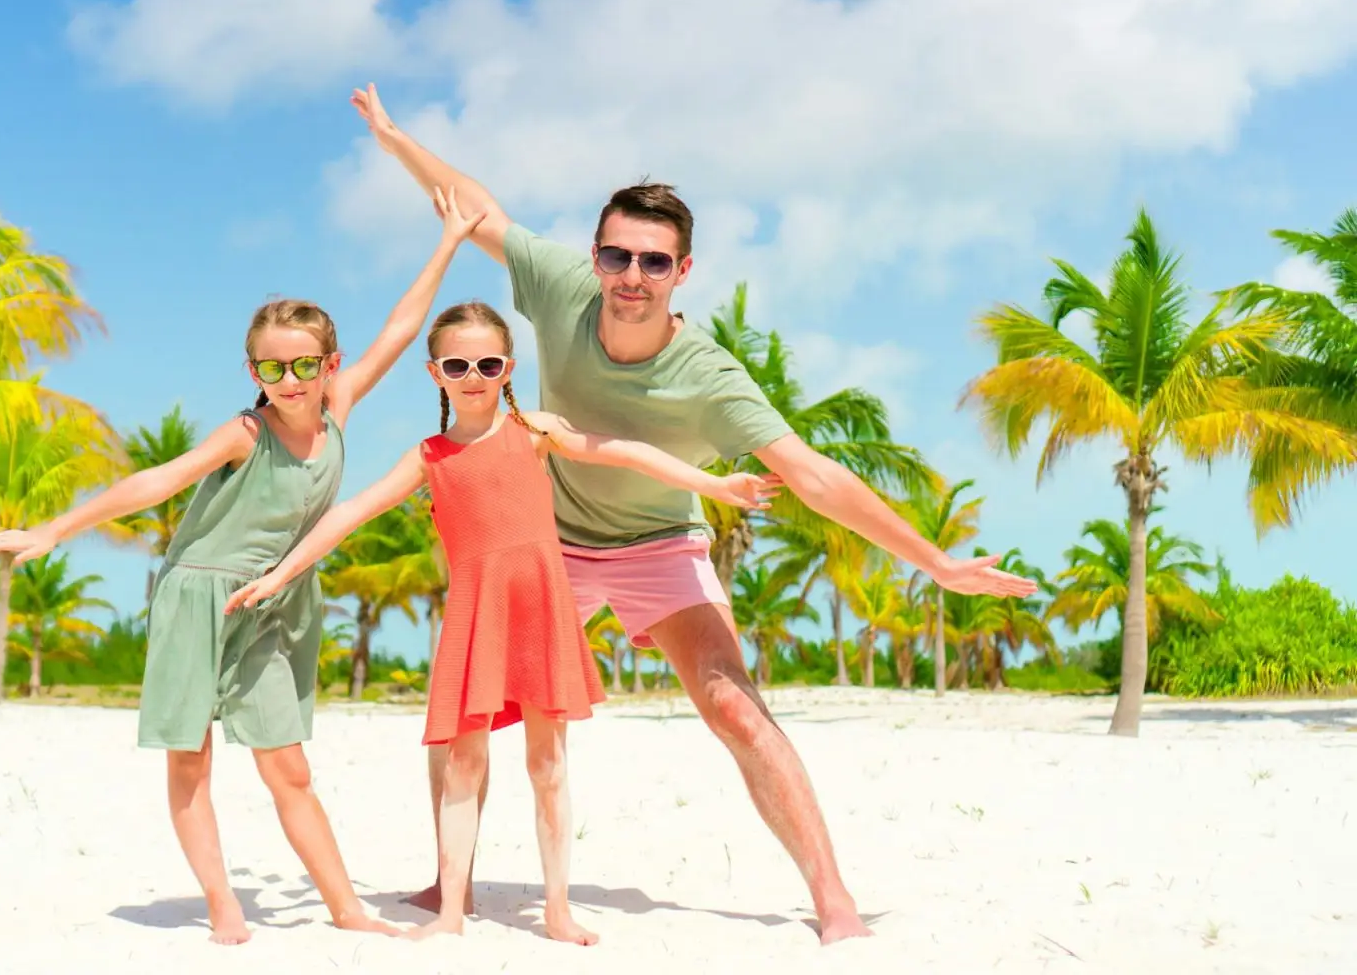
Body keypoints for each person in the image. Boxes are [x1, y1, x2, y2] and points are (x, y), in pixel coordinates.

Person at [347, 83, 1040, 945]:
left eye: (654, 262)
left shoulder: (710, 378)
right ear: (596, 257)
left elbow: (814, 477)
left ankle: (832, 899)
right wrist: (393, 138)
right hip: (550, 542)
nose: (631, 277)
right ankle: (451, 882)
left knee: (732, 703)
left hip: (659, 545)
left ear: (683, 272)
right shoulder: (561, 286)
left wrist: (935, 563)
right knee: (472, 704)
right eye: (617, 257)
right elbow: (478, 209)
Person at [0, 187, 486, 946]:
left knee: (289, 768)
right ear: (253, 369)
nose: (288, 380)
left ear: (328, 364)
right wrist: (55, 529)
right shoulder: (244, 433)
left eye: (303, 364)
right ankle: (222, 904)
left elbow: (401, 327)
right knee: (192, 761)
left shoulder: (339, 409)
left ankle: (346, 908)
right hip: (198, 598)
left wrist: (448, 240)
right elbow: (157, 481)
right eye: (271, 367)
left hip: (272, 606)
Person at [222, 300, 778, 945]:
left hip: (540, 604)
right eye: (458, 364)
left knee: (548, 764)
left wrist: (714, 487)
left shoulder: (535, 430)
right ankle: (453, 911)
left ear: (507, 367)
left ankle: (558, 911)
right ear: (436, 373)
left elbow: (622, 451)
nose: (474, 374)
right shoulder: (428, 456)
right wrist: (276, 575)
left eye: (488, 362)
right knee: (464, 762)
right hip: (475, 612)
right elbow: (350, 515)